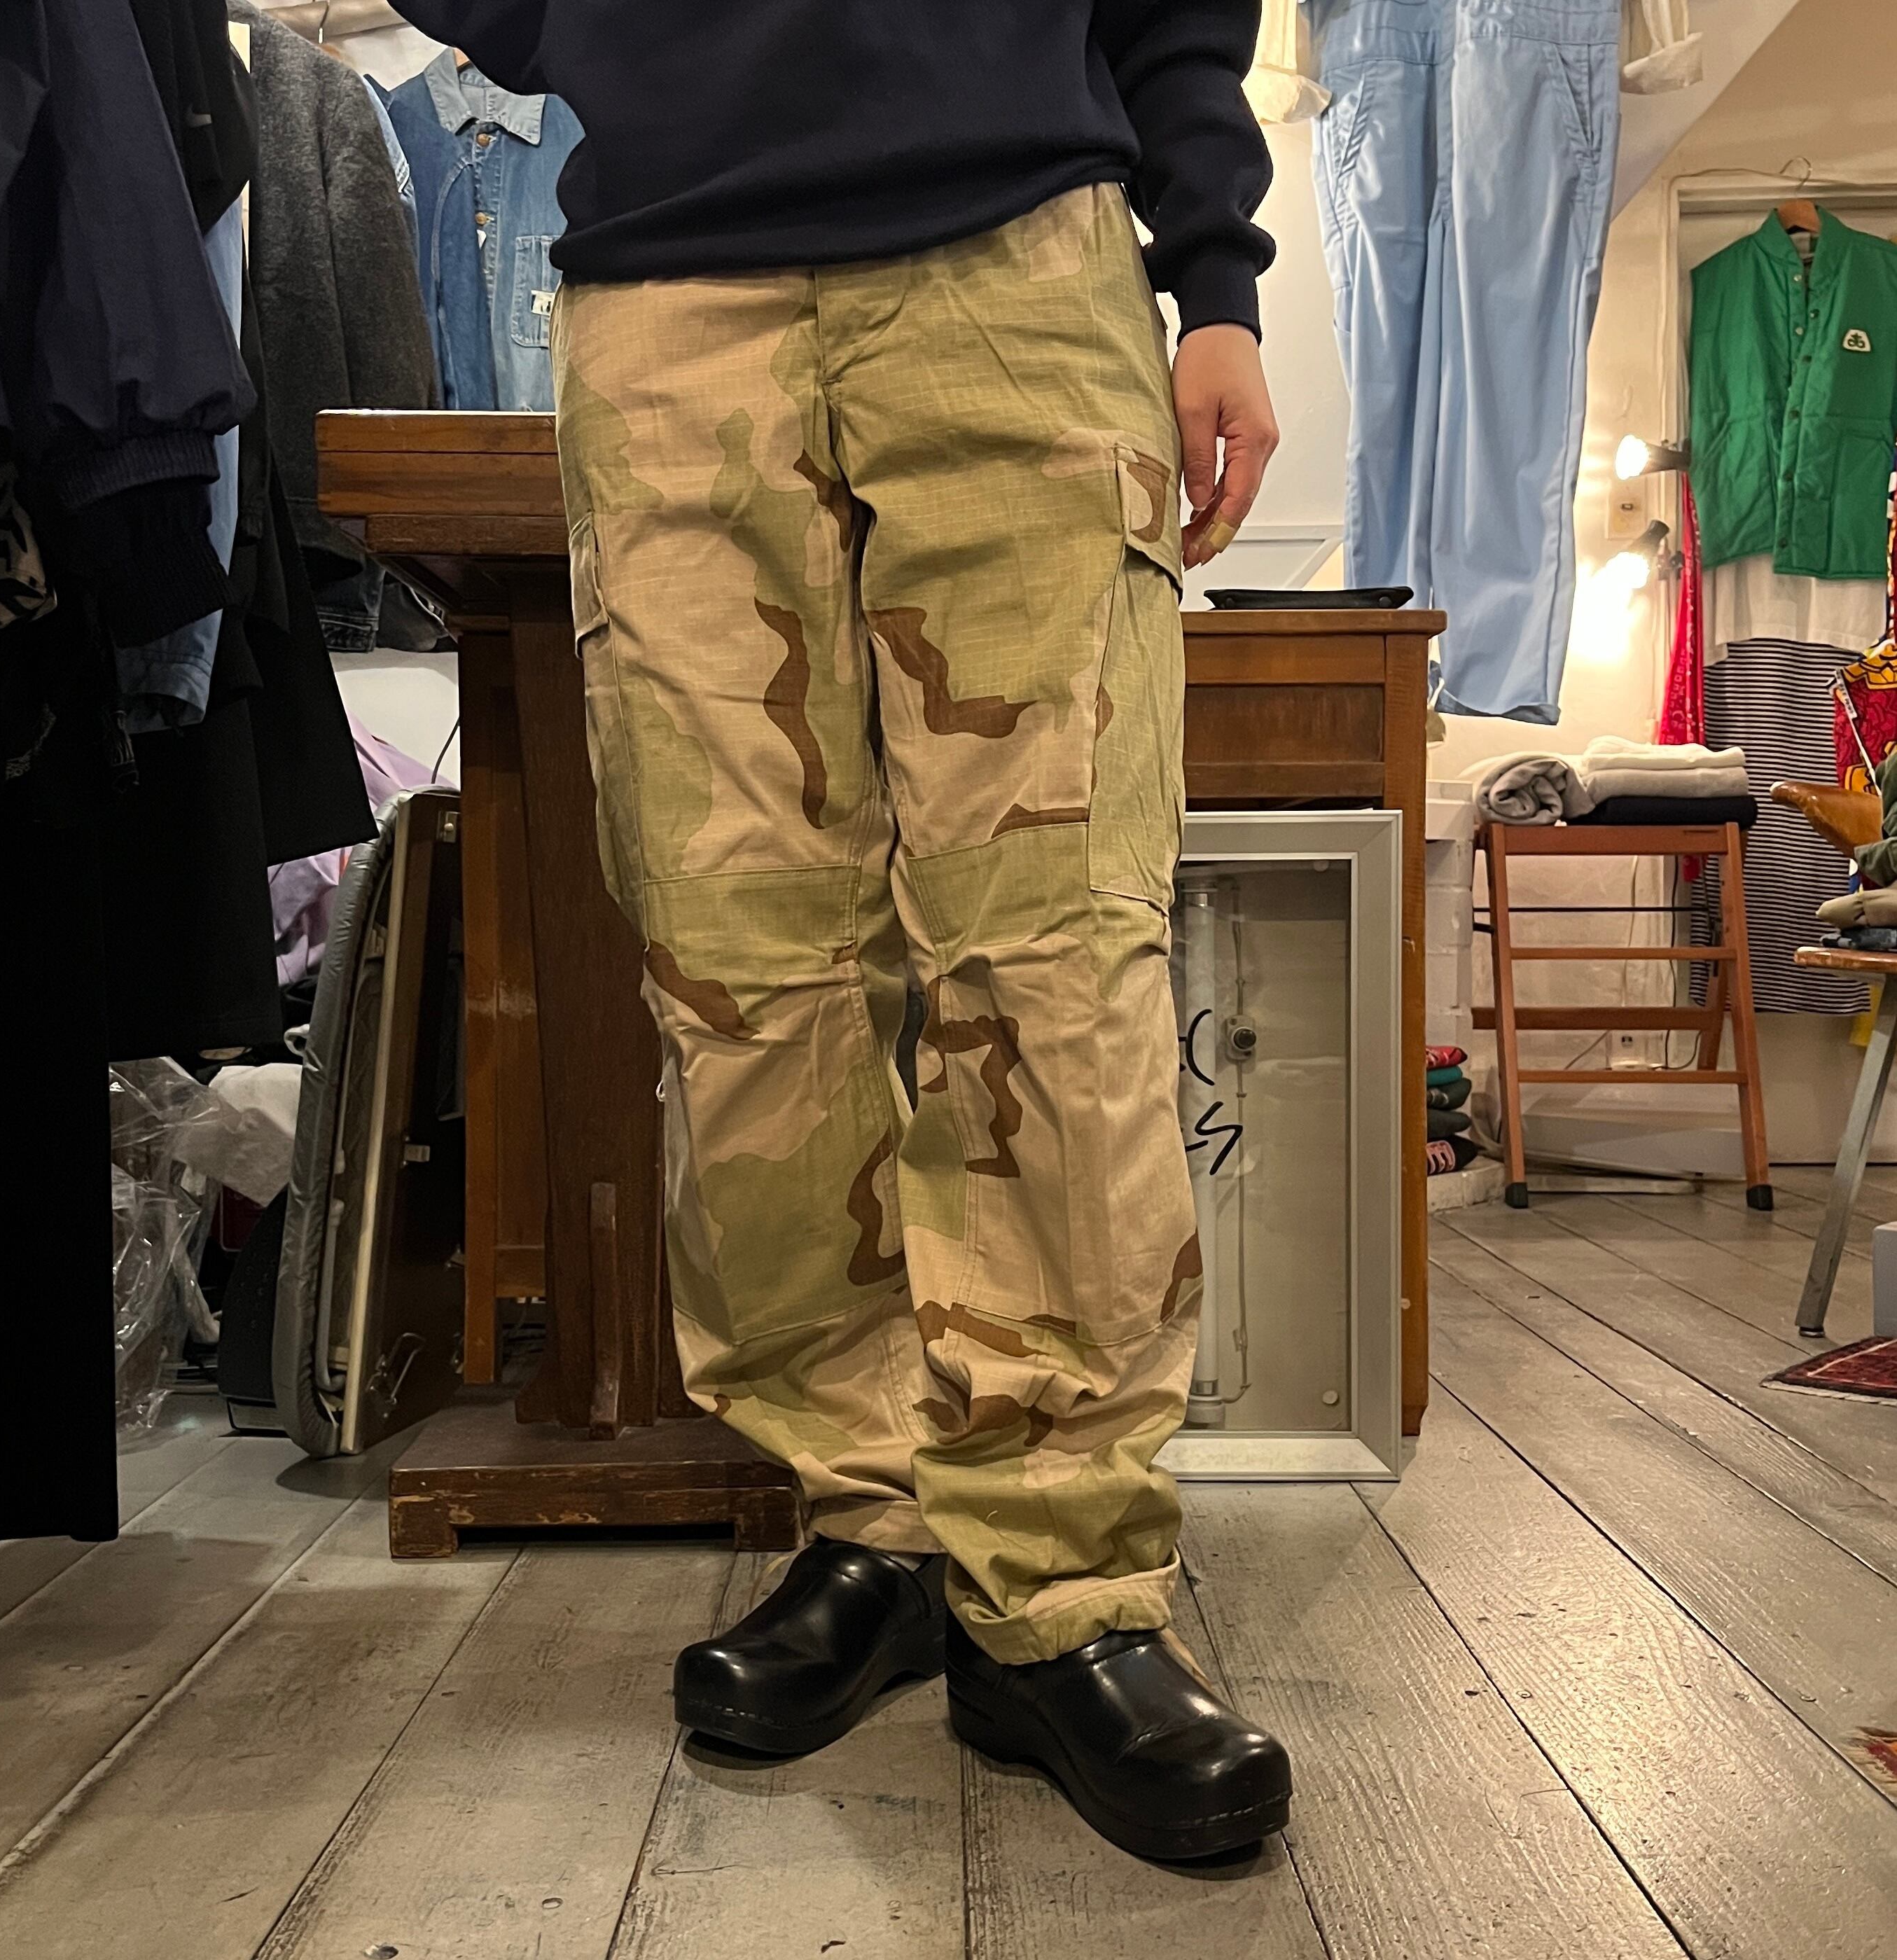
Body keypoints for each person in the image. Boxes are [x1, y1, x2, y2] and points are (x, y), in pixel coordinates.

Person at [391, 0, 1288, 1860]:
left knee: (1055, 964)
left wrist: (1215, 272)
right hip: (672, 295)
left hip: (1021, 263)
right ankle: (873, 1521)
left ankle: (1062, 1587)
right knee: (740, 967)